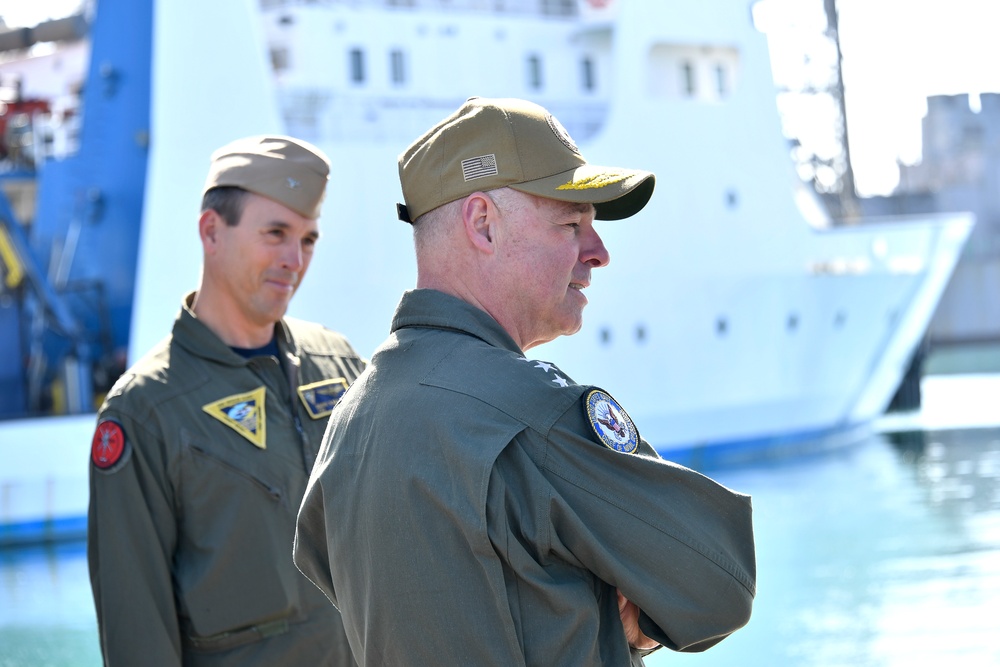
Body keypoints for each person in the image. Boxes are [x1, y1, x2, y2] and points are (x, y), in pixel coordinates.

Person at [293, 97, 756, 665]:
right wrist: (627, 617)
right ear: (483, 224)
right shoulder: (530, 413)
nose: (600, 252)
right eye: (571, 222)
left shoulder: (353, 419)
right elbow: (721, 583)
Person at [88, 135, 365, 666]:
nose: (294, 259)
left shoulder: (339, 363)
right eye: (275, 234)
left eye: (308, 240)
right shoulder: (146, 411)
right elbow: (136, 630)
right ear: (211, 231)